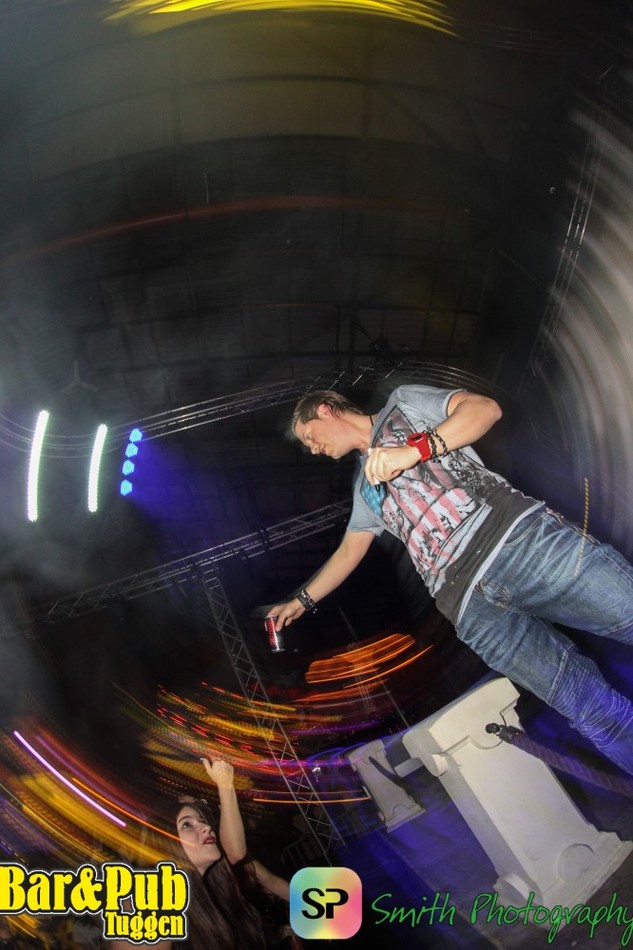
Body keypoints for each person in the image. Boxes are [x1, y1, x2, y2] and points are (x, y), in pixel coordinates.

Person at [267, 384, 633, 776]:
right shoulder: (364, 487)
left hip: (517, 545)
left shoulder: (402, 404)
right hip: (471, 609)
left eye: (310, 436)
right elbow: (348, 552)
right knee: (588, 708)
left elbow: (484, 409)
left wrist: (413, 451)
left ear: (326, 409)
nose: (312, 449)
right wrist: (300, 601)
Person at [112, 758, 292, 949]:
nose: (206, 827)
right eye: (187, 825)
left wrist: (225, 784)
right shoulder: (150, 906)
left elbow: (237, 853)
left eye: (202, 820)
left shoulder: (215, 880)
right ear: (167, 845)